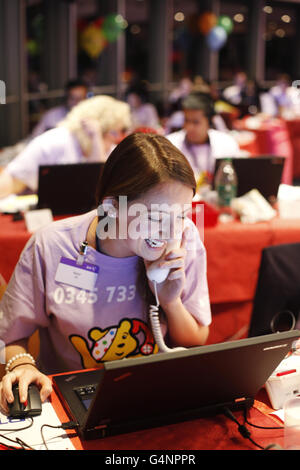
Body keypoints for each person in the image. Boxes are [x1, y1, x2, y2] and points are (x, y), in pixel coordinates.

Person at [0, 132, 211, 411]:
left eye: (181, 215)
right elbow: (12, 335)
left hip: (156, 393)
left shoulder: (183, 240)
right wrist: (22, 365)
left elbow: (196, 340)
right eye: (156, 217)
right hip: (74, 397)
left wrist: (170, 301)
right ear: (112, 206)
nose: (171, 231)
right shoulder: (52, 245)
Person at [0, 95, 132, 199]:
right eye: (114, 132)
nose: (117, 138)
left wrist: (96, 140)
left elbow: (98, 184)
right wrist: (95, 137)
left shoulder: (108, 147)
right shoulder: (56, 140)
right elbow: (13, 179)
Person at [166, 92, 240, 186]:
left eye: (196, 122)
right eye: (186, 120)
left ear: (210, 122)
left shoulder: (226, 143)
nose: (189, 127)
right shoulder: (170, 144)